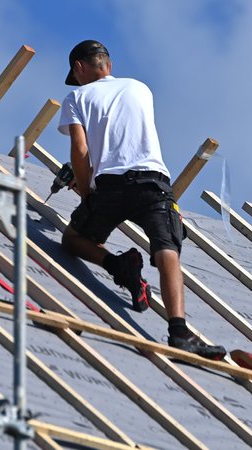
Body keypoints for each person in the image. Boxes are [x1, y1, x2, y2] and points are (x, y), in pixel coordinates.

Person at [58, 40, 226, 359]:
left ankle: (119, 265)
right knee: (167, 249)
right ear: (108, 64)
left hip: (111, 185)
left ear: (79, 68)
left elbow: (80, 151)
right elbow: (125, 139)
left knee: (73, 239)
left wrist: (85, 188)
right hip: (154, 181)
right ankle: (179, 332)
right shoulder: (140, 88)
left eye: (75, 74)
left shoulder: (76, 97)